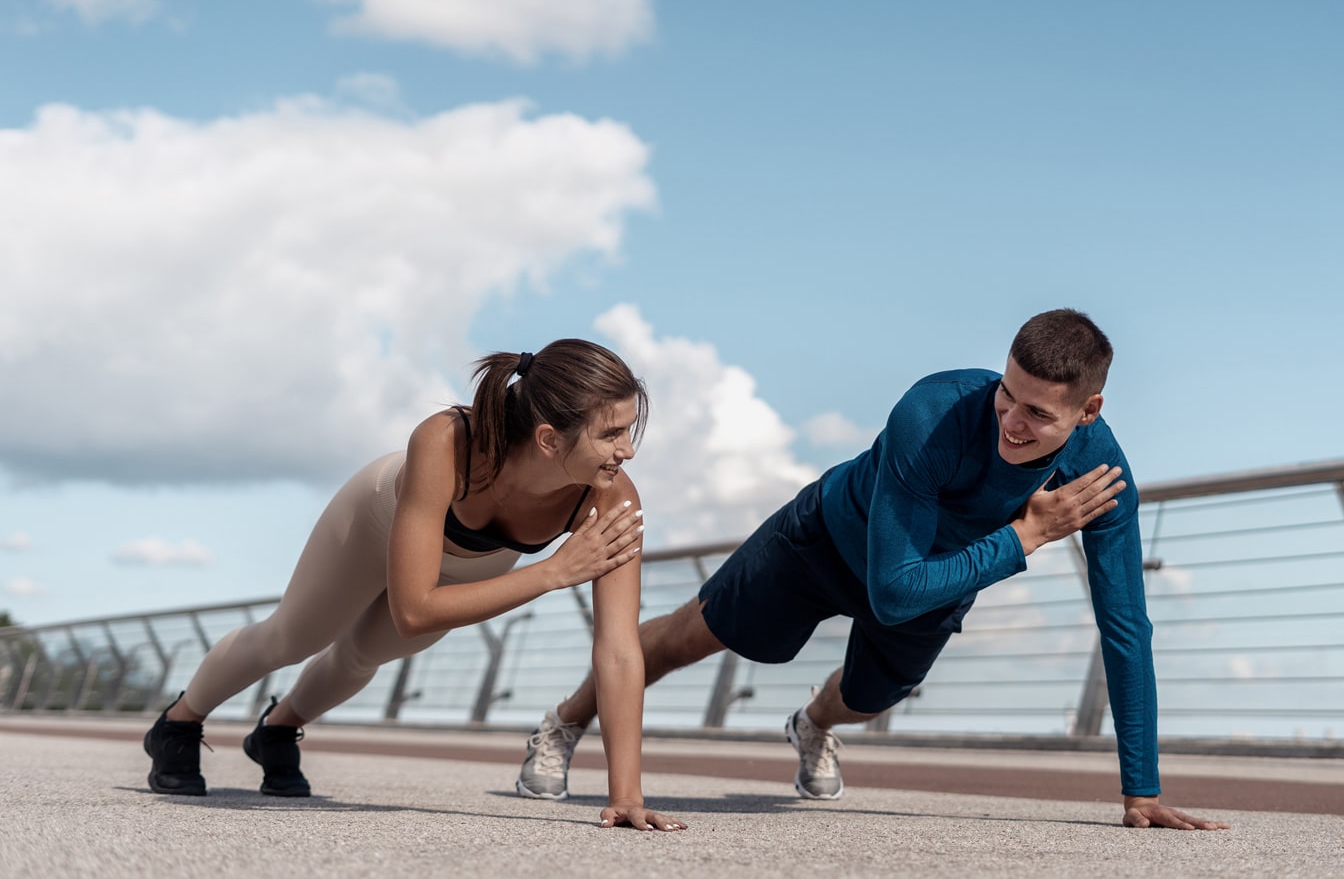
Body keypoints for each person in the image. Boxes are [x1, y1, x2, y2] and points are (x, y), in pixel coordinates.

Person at [517, 310, 1227, 831]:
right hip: (828, 538)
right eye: (1006, 394)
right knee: (686, 638)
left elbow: (1126, 627)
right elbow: (891, 589)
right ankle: (564, 723)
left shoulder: (1101, 480)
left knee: (870, 695)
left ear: (1089, 411)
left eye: (1038, 413)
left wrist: (1142, 789)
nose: (1010, 418)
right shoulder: (934, 411)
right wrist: (1026, 535)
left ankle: (812, 725)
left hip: (938, 576)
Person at [142, 340, 686, 831]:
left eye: (629, 430)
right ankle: (179, 723)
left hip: (475, 565)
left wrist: (626, 796)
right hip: (375, 519)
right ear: (548, 438)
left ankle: (276, 731)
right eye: (611, 433)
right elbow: (414, 609)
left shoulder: (611, 499)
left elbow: (617, 649)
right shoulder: (446, 440)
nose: (628, 450)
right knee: (291, 638)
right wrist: (552, 574)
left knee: (361, 656)